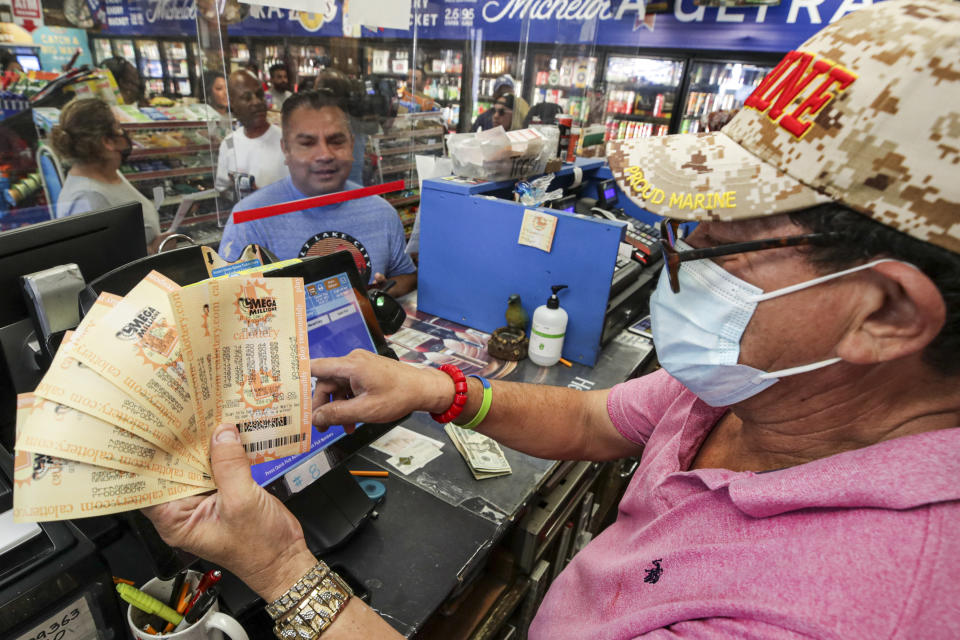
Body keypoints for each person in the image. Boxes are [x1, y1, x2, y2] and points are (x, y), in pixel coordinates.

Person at [144, 2, 960, 638]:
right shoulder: (755, 389)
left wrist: (282, 567)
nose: (678, 259)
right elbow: (591, 416)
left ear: (883, 313)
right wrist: (432, 386)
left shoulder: (854, 610)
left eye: (718, 245)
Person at [218, 91, 417, 295]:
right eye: (307, 143)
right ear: (285, 149)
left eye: (336, 141)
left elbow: (405, 275)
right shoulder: (249, 221)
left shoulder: (382, 213)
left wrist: (378, 297)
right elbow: (228, 303)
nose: (325, 154)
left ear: (352, 144)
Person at [50, 98, 165, 253]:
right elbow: (99, 263)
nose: (126, 133)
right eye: (118, 127)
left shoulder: (111, 174)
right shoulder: (87, 198)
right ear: (107, 142)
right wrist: (154, 250)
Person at [214, 69, 289, 195]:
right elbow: (223, 189)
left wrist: (261, 197)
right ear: (232, 103)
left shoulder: (287, 141)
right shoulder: (229, 143)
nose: (257, 102)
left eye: (259, 94)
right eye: (247, 98)